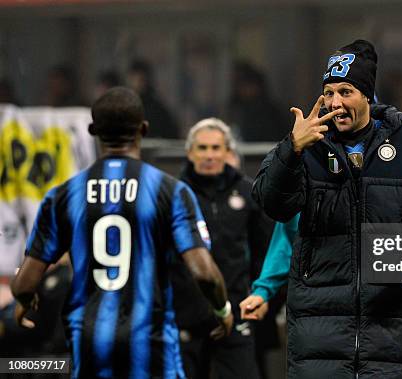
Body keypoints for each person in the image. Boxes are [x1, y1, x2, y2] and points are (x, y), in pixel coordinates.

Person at [251, 39, 402, 378]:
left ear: (367, 95)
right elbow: (273, 205)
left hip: (389, 336)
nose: (335, 102)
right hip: (317, 337)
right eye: (329, 92)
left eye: (346, 91)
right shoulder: (306, 149)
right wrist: (290, 150)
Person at [10, 87, 233, 379]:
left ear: (93, 130)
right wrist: (222, 310)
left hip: (88, 343)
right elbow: (204, 273)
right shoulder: (171, 192)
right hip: (152, 343)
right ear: (143, 129)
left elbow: (24, 283)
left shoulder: (63, 195)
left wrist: (25, 302)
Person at [240, 209, 402, 343]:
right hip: (324, 319)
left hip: (387, 318)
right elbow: (288, 238)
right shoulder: (312, 169)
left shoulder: (401, 165)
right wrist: (263, 289)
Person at [171, 117, 273, 378]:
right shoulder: (172, 195)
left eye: (216, 148)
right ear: (189, 152)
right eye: (202, 148)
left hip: (237, 312)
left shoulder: (249, 193)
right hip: (185, 318)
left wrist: (262, 296)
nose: (209, 155)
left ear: (228, 152)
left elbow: (267, 254)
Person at [127, 59, 179, 139]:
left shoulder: (156, 109)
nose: (137, 84)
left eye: (141, 80)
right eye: (134, 79)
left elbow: (171, 134)